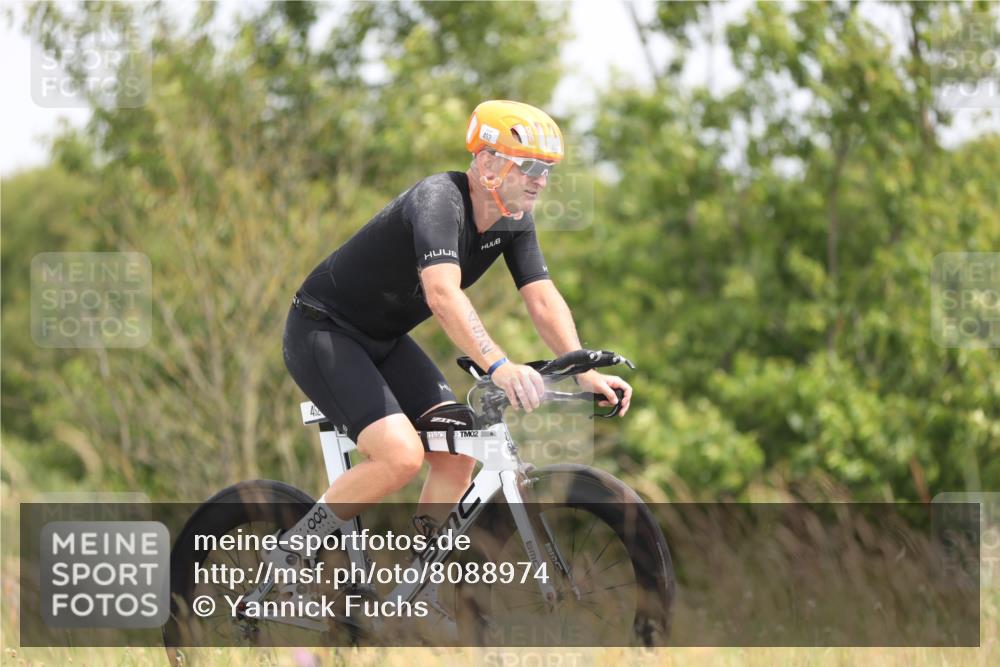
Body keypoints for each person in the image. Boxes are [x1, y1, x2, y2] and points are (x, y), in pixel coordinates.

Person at [276, 100, 632, 561]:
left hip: (386, 340)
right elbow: (442, 294)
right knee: (400, 457)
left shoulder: (514, 220)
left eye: (546, 169)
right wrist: (499, 365)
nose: (541, 180)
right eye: (528, 166)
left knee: (461, 449)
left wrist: (584, 370)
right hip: (323, 332)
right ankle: (291, 551)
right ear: (487, 162)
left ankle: (418, 582)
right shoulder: (438, 200)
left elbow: (542, 298)